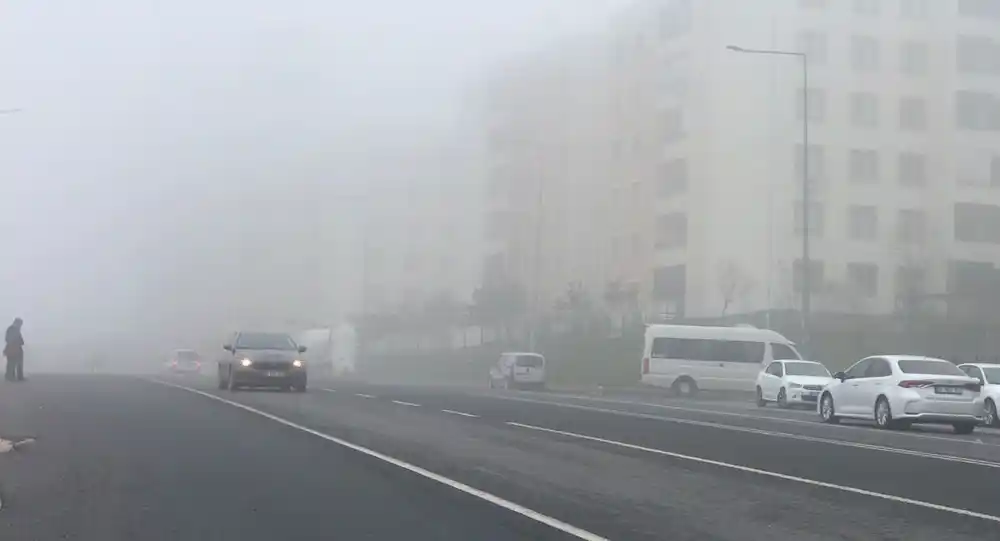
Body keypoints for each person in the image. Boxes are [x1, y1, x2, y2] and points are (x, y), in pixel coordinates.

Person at [4, 317, 25, 382]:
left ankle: (17, 376)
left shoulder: (15, 329)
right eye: (20, 324)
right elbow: (8, 339)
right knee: (12, 362)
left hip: (16, 348)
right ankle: (10, 376)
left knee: (17, 362)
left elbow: (20, 340)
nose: (20, 326)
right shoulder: (12, 329)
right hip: (13, 348)